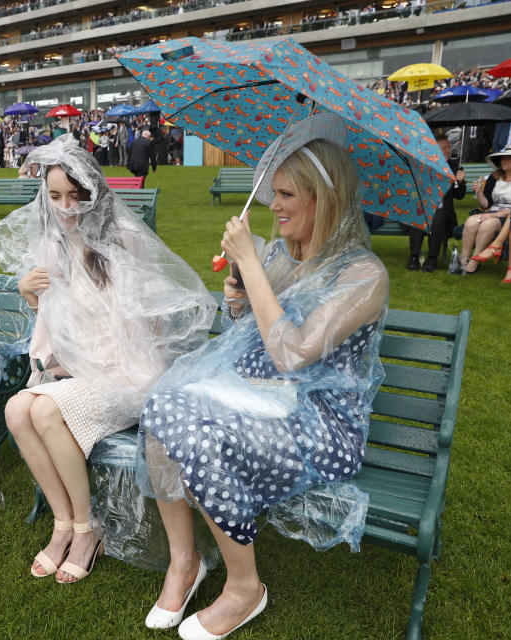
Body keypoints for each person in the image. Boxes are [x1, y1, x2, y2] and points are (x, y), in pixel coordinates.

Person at [137, 114, 388, 638]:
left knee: (189, 425)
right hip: (259, 396)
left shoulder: (364, 276)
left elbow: (293, 355)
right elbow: (254, 332)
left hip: (318, 424)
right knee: (162, 405)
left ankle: (245, 587)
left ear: (323, 197)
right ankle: (185, 563)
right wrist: (239, 295)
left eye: (287, 195)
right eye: (272, 193)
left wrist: (252, 265)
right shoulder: (280, 255)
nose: (273, 206)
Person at [0, 135, 215, 585]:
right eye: (54, 197)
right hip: (81, 372)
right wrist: (30, 295)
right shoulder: (53, 245)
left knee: (46, 409)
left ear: (94, 194)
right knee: (16, 408)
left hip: (131, 372)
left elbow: (146, 328)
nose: (66, 207)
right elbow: (61, 322)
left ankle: (86, 531)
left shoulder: (123, 241)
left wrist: (88, 363)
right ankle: (64, 523)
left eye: (75, 196)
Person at [460, 143, 511, 276]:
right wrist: (479, 193)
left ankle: (475, 261)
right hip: (492, 211)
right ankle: (462, 260)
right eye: (503, 158)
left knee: (488, 224)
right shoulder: (494, 177)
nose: (504, 161)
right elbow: (486, 205)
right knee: (471, 221)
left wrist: (495, 215)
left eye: (509, 158)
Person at [406, 134, 465, 271]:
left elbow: (459, 195)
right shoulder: (421, 166)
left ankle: (432, 260)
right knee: (421, 213)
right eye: (444, 148)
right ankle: (414, 257)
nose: (448, 151)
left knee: (438, 215)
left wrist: (460, 183)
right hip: (421, 212)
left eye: (449, 148)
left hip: (444, 216)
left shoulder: (454, 167)